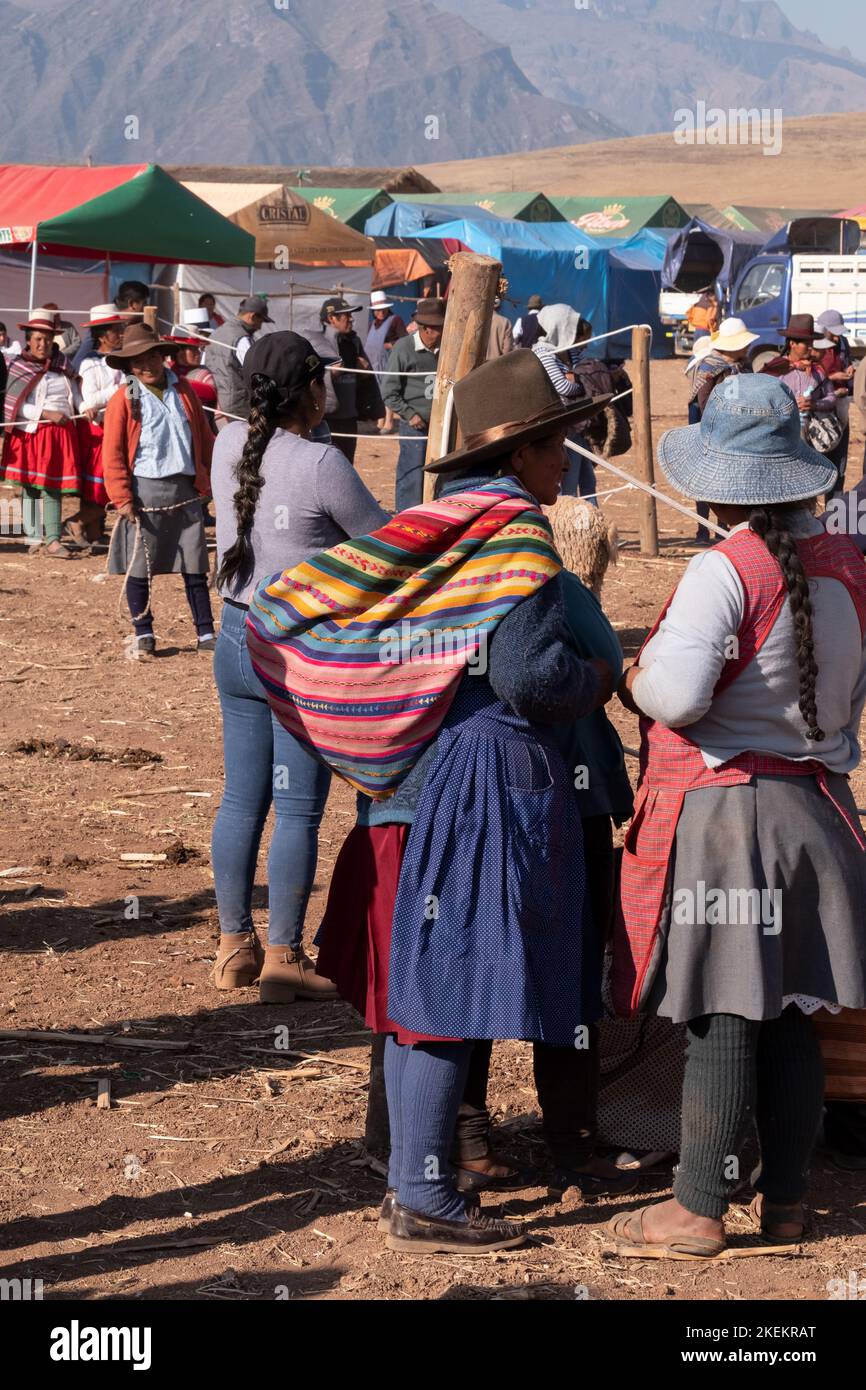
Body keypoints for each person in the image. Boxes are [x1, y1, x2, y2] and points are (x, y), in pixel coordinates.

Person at [247, 352, 616, 1253]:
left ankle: (419, 1179)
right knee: (456, 982)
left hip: (432, 767)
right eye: (555, 443)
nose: (564, 460)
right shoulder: (518, 534)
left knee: (430, 980)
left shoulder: (439, 526)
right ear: (521, 453)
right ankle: (425, 1196)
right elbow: (530, 675)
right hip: (492, 774)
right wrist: (599, 676)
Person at [608, 373, 866, 1258]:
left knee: (723, 1011)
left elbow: (676, 698)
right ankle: (788, 1200)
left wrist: (629, 676)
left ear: (719, 484)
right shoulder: (849, 566)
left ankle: (697, 1207)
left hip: (730, 821)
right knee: (790, 1010)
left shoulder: (726, 570)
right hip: (816, 815)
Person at [210, 331, 388, 1001]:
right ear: (310, 390)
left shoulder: (229, 444)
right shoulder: (321, 464)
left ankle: (233, 944)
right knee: (299, 807)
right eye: (324, 382)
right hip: (298, 650)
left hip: (235, 635)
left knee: (240, 797)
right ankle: (285, 952)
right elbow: (381, 541)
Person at [102, 323, 215, 659]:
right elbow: (113, 452)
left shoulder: (185, 392)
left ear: (163, 357)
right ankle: (144, 632)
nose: (145, 365)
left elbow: (204, 437)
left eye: (151, 356)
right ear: (127, 366)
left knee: (195, 564)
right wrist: (122, 497)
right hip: (144, 492)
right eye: (136, 360)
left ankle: (206, 632)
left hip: (186, 489)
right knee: (140, 566)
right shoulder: (123, 400)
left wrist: (212, 477)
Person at [0, 308, 84, 558]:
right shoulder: (18, 366)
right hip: (31, 433)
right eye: (37, 339)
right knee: (31, 487)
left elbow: (76, 395)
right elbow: (13, 404)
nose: (42, 344)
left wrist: (87, 407)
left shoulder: (64, 365)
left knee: (52, 487)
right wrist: (46, 414)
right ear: (28, 339)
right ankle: (34, 538)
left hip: (59, 435)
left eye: (47, 339)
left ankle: (54, 540)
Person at [687, 317, 757, 543]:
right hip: (711, 431)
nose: (747, 347)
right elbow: (705, 402)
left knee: (730, 481)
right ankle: (702, 528)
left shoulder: (744, 366)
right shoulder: (710, 366)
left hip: (738, 431)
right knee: (707, 480)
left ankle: (723, 529)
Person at [64, 304, 127, 549]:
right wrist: (123, 390)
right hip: (98, 431)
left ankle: (94, 531)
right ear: (102, 335)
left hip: (113, 426)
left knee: (100, 485)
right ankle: (78, 521)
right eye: (116, 329)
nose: (121, 333)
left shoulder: (119, 361)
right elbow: (90, 400)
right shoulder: (89, 365)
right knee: (105, 485)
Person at [380, 297, 445, 509]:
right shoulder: (404, 348)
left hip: (443, 425)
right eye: (438, 328)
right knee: (412, 474)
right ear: (425, 329)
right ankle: (406, 517)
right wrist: (409, 414)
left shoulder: (447, 349)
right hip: (415, 425)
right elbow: (389, 391)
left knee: (445, 473)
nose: (442, 332)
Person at [533, 305, 597, 501]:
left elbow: (584, 376)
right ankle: (566, 526)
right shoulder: (542, 353)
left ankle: (592, 523)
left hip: (578, 425)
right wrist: (578, 381)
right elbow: (565, 388)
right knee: (567, 482)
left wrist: (577, 379)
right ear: (560, 327)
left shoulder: (568, 351)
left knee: (588, 479)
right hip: (560, 427)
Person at [318, 296, 381, 465]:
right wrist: (330, 374)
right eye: (346, 315)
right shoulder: (317, 342)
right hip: (325, 417)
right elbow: (308, 376)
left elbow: (366, 379)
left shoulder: (354, 341)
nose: (351, 319)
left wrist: (365, 372)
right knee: (324, 463)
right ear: (332, 318)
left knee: (346, 463)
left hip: (349, 416)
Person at [209, 295, 273, 428]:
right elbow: (256, 371)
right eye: (261, 320)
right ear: (252, 316)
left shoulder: (217, 332)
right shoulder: (241, 338)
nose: (260, 327)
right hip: (238, 406)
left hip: (218, 403)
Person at [814, 309, 855, 495]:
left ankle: (834, 507)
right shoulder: (815, 347)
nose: (838, 338)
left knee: (839, 459)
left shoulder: (843, 344)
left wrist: (849, 370)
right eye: (834, 333)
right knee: (819, 455)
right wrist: (831, 377)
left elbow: (847, 363)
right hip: (819, 413)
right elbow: (812, 380)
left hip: (840, 407)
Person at [73, 281, 148, 372]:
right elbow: (77, 365)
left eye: (121, 329)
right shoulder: (90, 363)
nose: (121, 334)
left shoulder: (141, 326)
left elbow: (131, 378)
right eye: (145, 303)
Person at [363, 290, 407, 435]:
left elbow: (404, 340)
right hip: (373, 364)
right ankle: (380, 421)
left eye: (382, 309)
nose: (380, 312)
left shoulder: (395, 320)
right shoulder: (371, 324)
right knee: (377, 392)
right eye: (377, 310)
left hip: (388, 362)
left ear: (387, 307)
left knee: (388, 391)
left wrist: (389, 345)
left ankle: (389, 422)